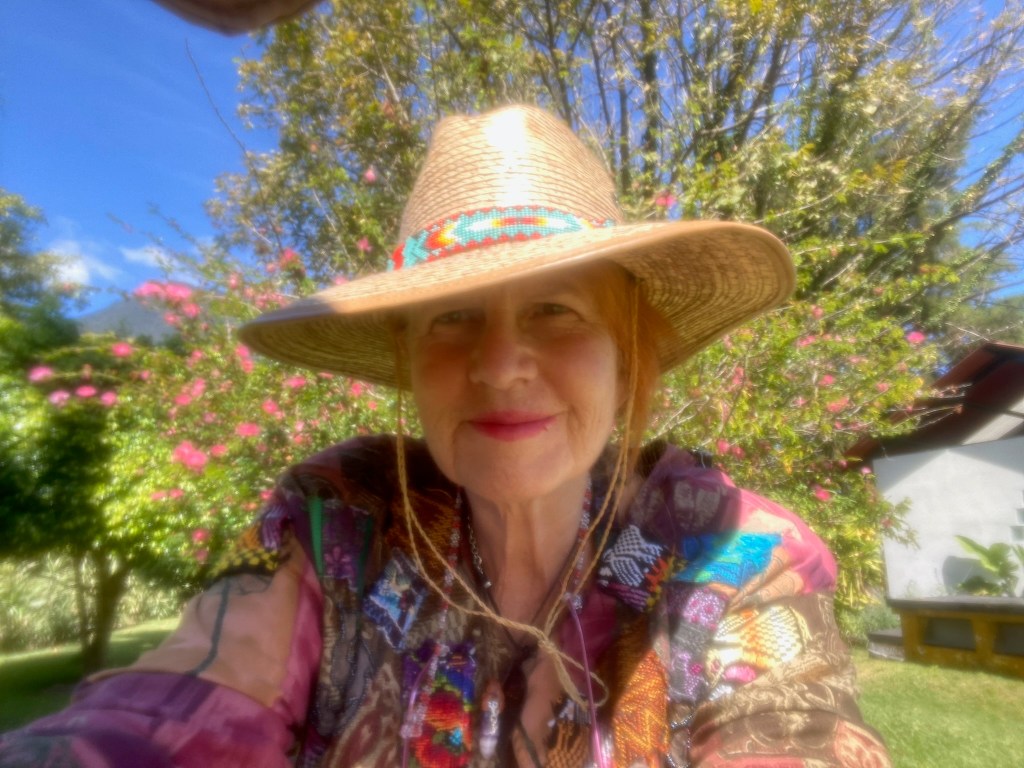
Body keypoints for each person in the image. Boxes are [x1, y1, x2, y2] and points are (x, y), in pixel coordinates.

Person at [0, 104, 890, 767]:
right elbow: (177, 706)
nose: (498, 365)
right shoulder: (340, 525)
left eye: (555, 309)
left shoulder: (732, 552)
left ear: (627, 354)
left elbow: (794, 731)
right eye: (451, 317)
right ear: (408, 361)